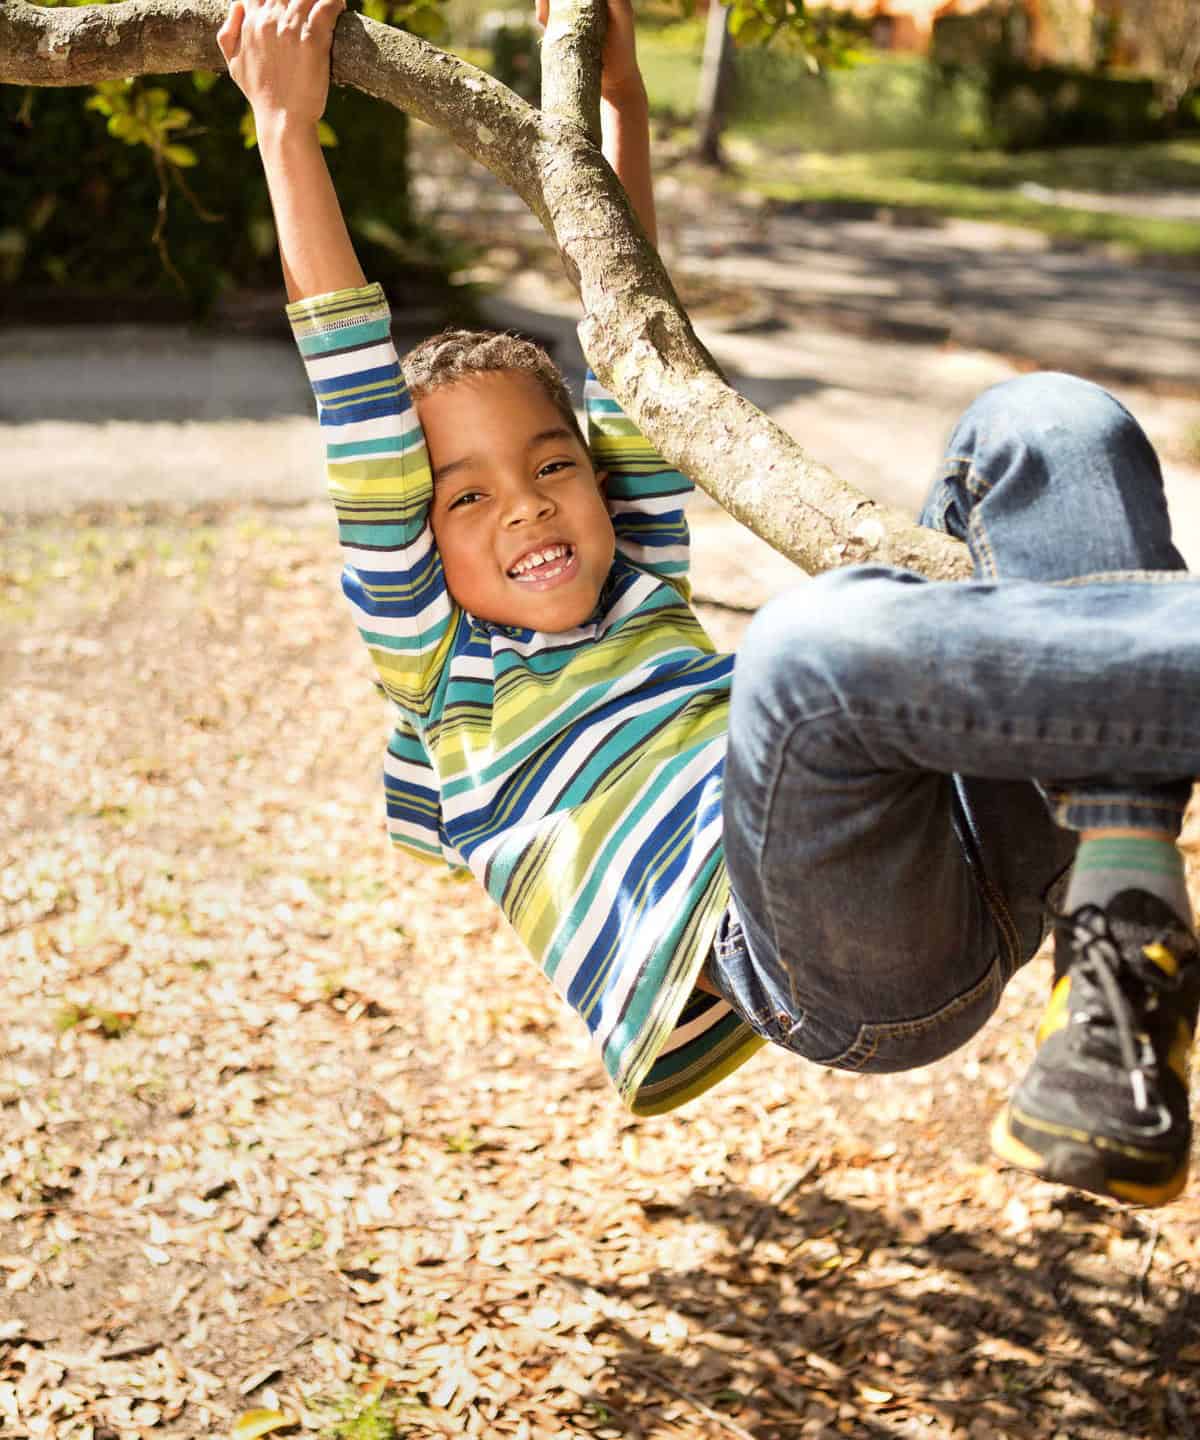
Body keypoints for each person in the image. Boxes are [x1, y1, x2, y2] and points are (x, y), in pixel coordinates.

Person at [218, 0, 1198, 1208]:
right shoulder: (441, 674)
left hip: (997, 835)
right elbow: (358, 404)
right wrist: (283, 122)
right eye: (465, 500)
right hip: (832, 959)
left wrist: (625, 106)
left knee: (1052, 421)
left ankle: (1122, 935)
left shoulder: (636, 573)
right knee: (806, 644)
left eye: (552, 467)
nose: (526, 507)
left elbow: (631, 337)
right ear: (415, 542)